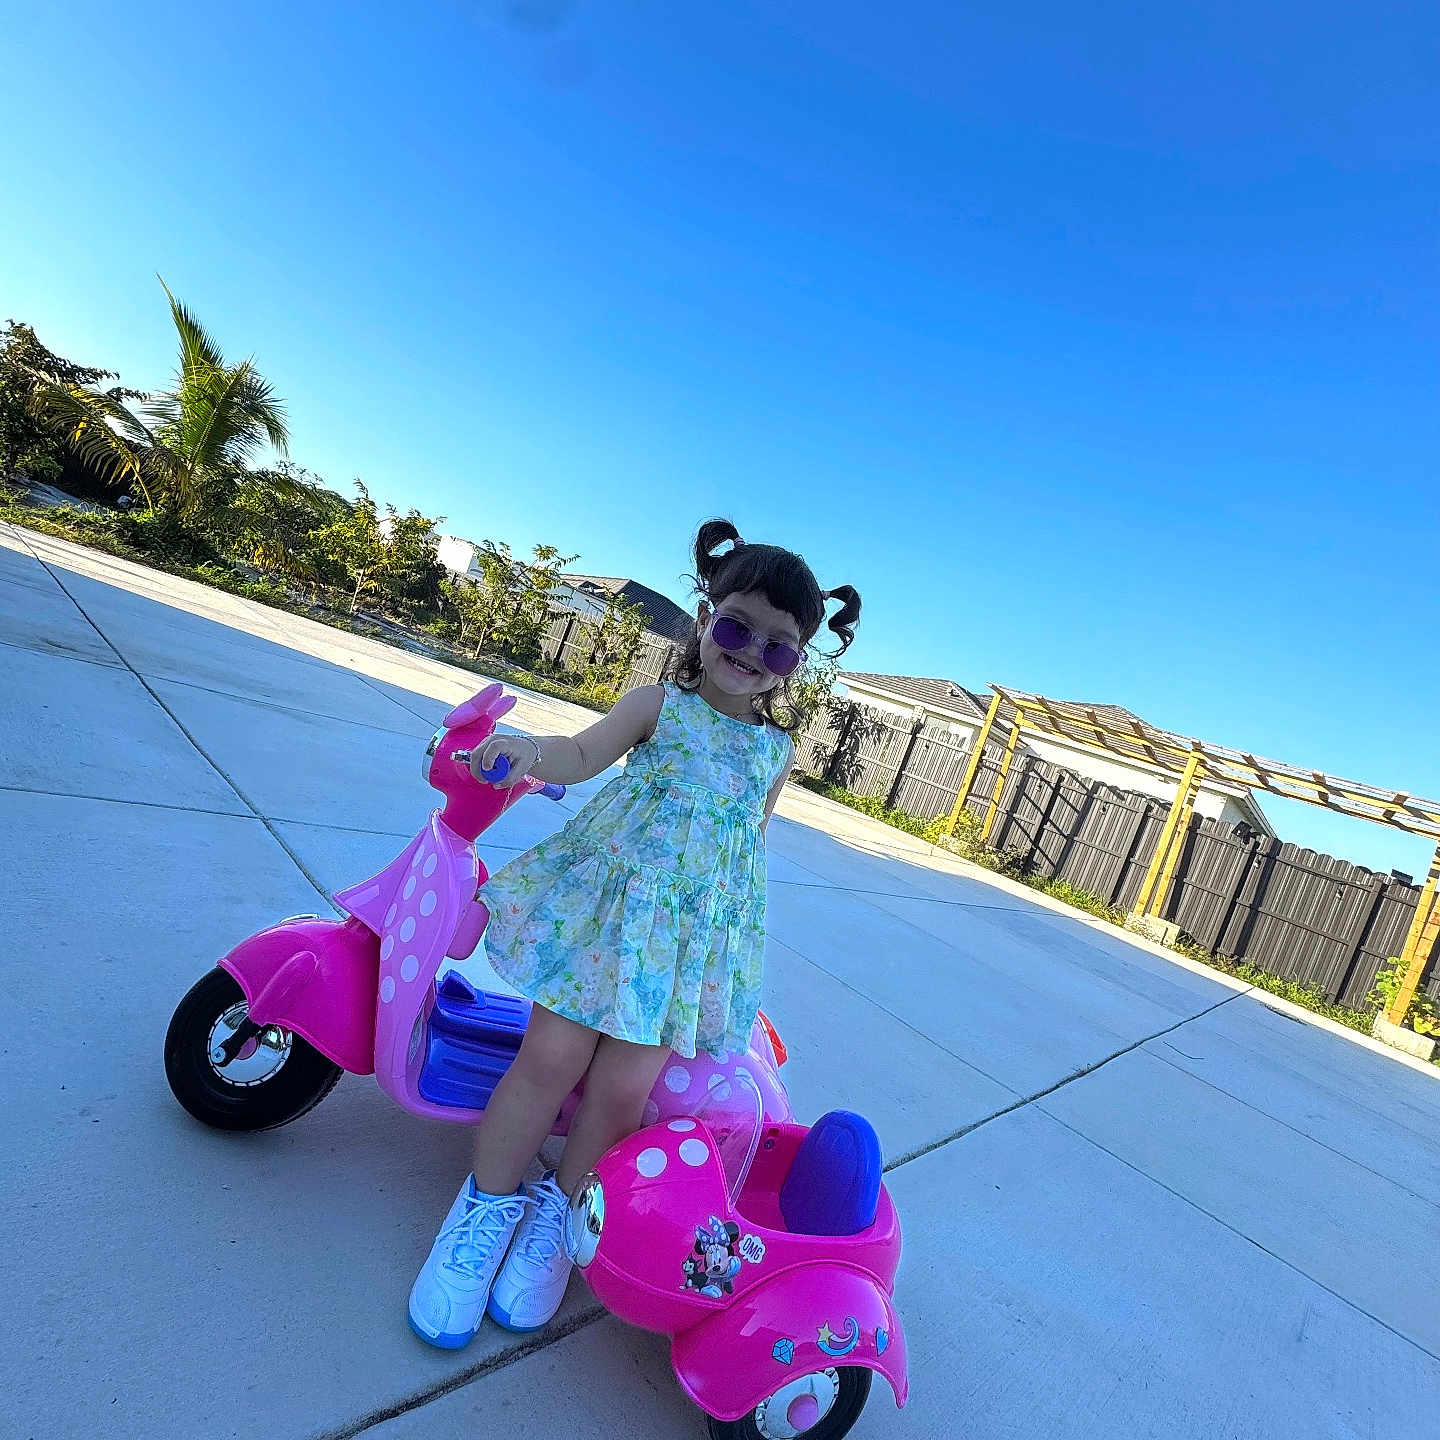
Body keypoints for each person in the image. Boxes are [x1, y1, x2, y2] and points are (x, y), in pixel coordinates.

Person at [407, 518, 861, 1347]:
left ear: (797, 663)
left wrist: (712, 949)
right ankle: (482, 1210)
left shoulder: (776, 751)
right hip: (609, 921)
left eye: (780, 646)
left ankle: (556, 1217)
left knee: (622, 1093)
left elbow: (742, 847)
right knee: (548, 1061)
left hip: (679, 948)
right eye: (736, 627)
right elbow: (582, 753)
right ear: (704, 617)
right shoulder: (660, 706)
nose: (752, 651)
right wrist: (524, 750)